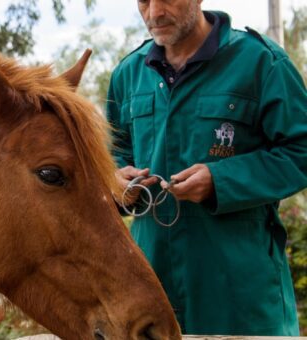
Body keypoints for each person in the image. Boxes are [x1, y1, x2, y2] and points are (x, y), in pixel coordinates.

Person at [107, 0, 307, 336]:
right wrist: (113, 181)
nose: (154, 13)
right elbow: (114, 155)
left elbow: (301, 149)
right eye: (143, 0)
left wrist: (221, 180)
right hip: (151, 288)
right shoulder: (127, 75)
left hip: (239, 296)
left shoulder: (261, 62)